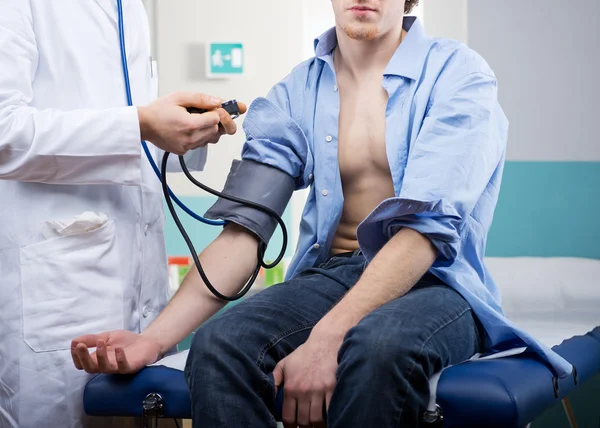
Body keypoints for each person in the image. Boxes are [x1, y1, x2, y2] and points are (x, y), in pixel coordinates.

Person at [72, 0, 574, 427]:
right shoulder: (294, 94)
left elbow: (423, 235)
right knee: (221, 344)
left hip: (439, 283)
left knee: (379, 347)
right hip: (331, 275)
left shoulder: (460, 77)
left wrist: (327, 338)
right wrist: (154, 341)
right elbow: (242, 237)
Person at [0, 1, 246, 427]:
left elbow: (119, 128)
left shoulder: (129, 9)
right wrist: (140, 125)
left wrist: (178, 131)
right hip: (56, 295)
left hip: (138, 304)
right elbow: (5, 134)